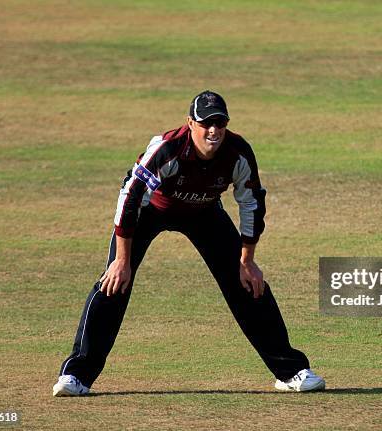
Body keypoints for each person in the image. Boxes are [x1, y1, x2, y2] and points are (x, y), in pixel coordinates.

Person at [53, 90, 325, 396]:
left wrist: (247, 262)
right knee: (115, 282)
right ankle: (76, 376)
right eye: (206, 123)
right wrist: (122, 260)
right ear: (190, 123)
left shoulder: (238, 153)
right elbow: (130, 200)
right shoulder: (167, 149)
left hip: (204, 212)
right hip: (150, 211)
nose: (214, 130)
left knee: (247, 283)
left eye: (220, 123)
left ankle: (290, 372)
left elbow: (251, 205)